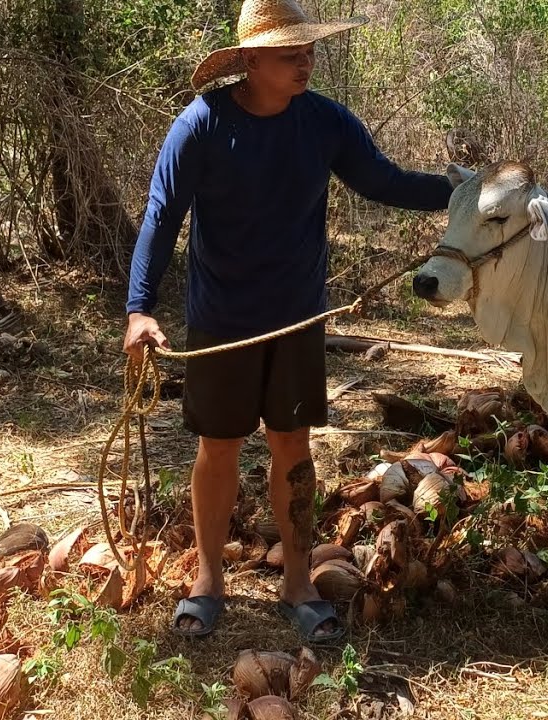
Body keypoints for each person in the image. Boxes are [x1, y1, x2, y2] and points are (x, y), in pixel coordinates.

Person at [122, 0, 453, 643]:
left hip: (298, 319)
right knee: (216, 449)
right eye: (288, 52)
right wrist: (139, 309)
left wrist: (463, 192)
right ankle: (209, 580)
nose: (305, 60)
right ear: (248, 60)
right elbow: (162, 215)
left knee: (292, 447)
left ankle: (298, 581)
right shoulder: (202, 125)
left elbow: (381, 180)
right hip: (223, 321)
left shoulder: (324, 121)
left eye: (307, 50)